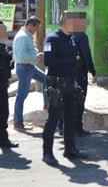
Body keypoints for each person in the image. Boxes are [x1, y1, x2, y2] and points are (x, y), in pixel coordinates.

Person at [42, 11, 88, 165]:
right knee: (54, 118)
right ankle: (47, 153)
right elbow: (48, 61)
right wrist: (71, 60)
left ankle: (70, 149)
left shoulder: (72, 39)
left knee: (70, 117)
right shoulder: (52, 39)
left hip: (70, 82)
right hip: (56, 83)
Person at [13, 16, 48, 130]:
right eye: (36, 28)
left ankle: (46, 105)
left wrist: (36, 55)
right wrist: (36, 57)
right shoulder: (23, 37)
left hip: (29, 67)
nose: (36, 31)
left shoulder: (27, 35)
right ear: (30, 26)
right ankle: (18, 122)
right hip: (24, 68)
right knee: (21, 95)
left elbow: (29, 51)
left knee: (46, 80)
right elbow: (22, 56)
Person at [72, 23, 97, 136]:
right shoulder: (82, 36)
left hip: (67, 73)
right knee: (80, 99)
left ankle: (64, 126)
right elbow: (86, 55)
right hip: (80, 72)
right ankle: (77, 127)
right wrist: (93, 71)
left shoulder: (67, 35)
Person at [0, 22, 18, 148]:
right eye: (3, 30)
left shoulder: (2, 46)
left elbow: (7, 64)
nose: (6, 32)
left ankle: (3, 138)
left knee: (4, 112)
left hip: (2, 83)